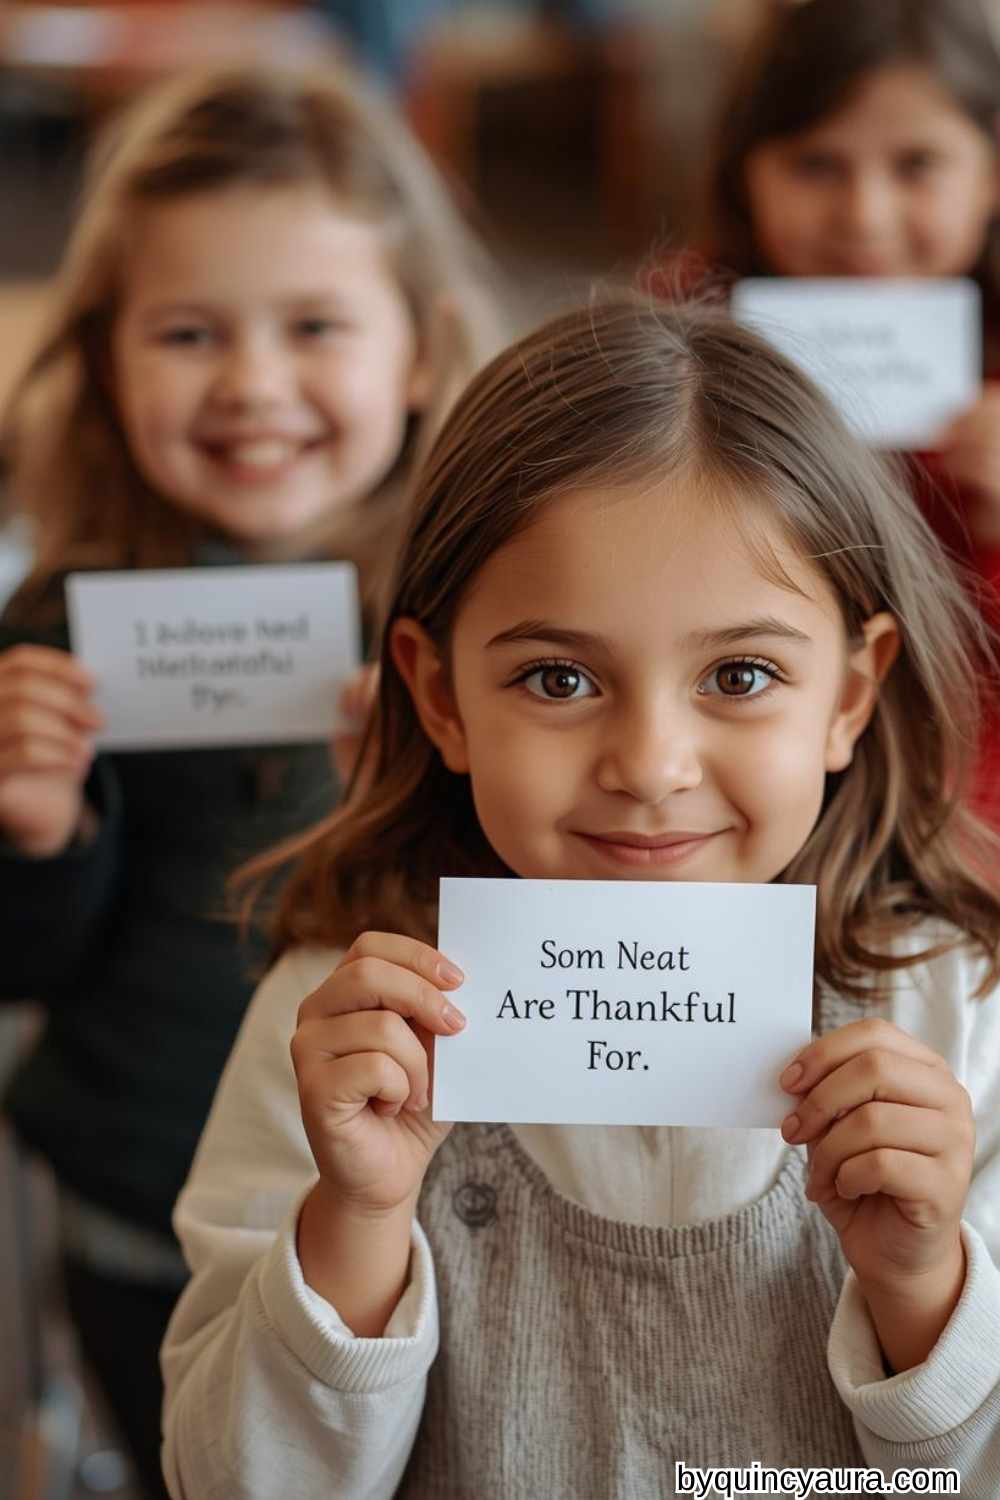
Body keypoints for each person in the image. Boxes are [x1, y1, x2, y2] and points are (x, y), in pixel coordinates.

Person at [161, 297, 1000, 1498]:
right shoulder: (344, 1031)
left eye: (740, 674)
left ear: (849, 696)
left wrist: (926, 1290)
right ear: (439, 695)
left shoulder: (957, 1016)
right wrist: (355, 1219)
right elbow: (226, 1482)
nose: (650, 764)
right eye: (557, 678)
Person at [0, 63, 499, 1499]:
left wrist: (433, 801)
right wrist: (36, 833)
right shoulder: (61, 620)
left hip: (410, 1214)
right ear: (103, 358)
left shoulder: (483, 615)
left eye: (316, 327)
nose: (253, 384)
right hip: (139, 1201)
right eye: (189, 331)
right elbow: (27, 965)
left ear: (418, 351)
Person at [702, 0, 1000, 823]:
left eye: (916, 166)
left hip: (966, 800)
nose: (864, 214)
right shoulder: (676, 342)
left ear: (992, 169)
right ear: (745, 171)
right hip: (738, 783)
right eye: (816, 165)